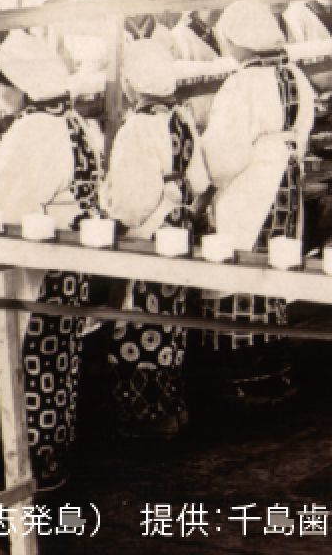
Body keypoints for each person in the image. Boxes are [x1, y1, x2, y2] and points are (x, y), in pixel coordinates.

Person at [0, 31, 105, 490]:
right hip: (70, 263)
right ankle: (56, 455)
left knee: (30, 362)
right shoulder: (73, 120)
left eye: (0, 85)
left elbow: (13, 207)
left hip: (38, 266)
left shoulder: (31, 130)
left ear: (19, 84)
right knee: (60, 363)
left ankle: (29, 469)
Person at [197, 0, 314, 405]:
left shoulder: (242, 83)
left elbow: (224, 154)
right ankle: (274, 370)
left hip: (251, 186)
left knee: (240, 276)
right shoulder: (293, 73)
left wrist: (202, 186)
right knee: (271, 274)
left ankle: (240, 380)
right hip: (286, 181)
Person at [99, 39, 213, 437]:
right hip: (179, 224)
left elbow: (131, 200)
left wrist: (111, 213)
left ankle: (145, 416)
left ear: (133, 84)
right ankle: (172, 406)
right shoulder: (180, 118)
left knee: (140, 320)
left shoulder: (136, 127)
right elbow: (200, 181)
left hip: (148, 230)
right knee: (171, 321)